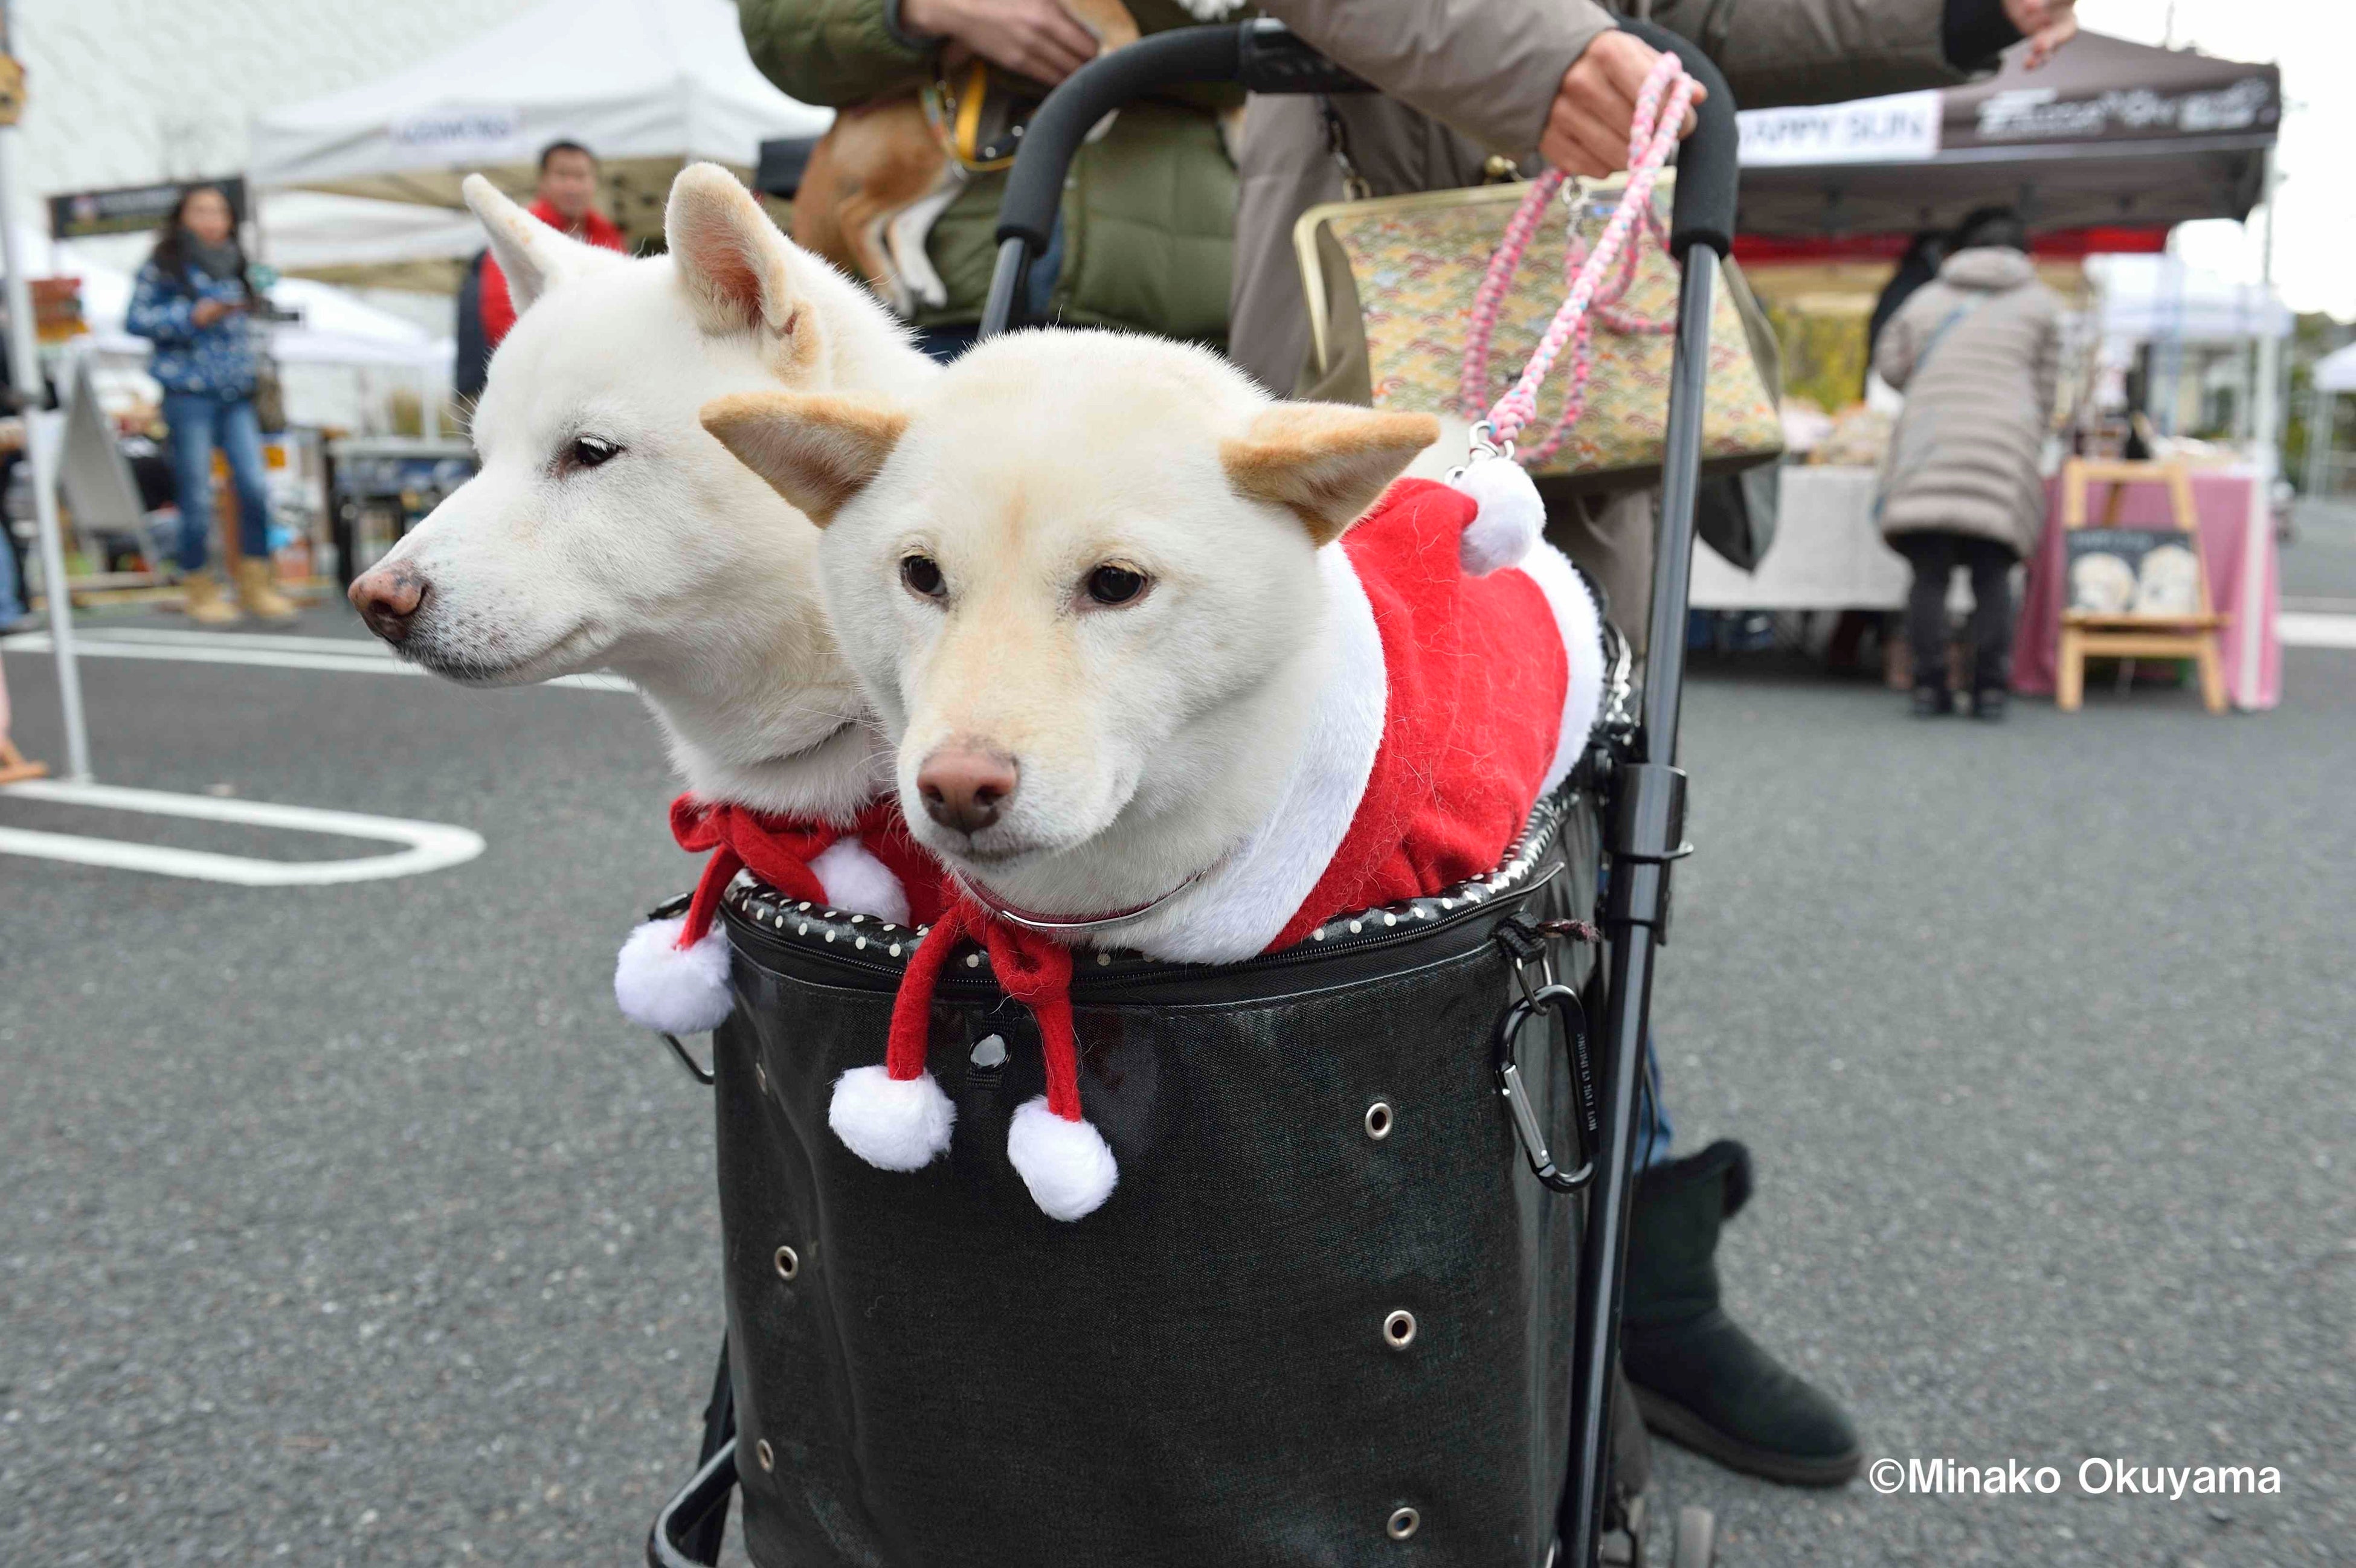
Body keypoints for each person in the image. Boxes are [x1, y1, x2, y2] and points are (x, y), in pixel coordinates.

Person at [1232, 0, 2079, 1489]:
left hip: (1550, 343)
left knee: (1564, 829)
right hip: (1331, 320)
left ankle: (1608, 1277)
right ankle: (1338, 1297)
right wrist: (1530, 51)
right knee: (1306, 836)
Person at [739, 0, 1240, 359]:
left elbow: (1275, 41)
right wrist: (926, 10)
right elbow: (776, 24)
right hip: (959, 298)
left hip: (1173, 301)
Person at [1873, 204, 2061, 720]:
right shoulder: (2042, 305)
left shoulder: (1927, 297)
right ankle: (1989, 691)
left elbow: (1891, 367)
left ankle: (1929, 688)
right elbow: (2049, 391)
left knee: (1929, 574)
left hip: (1931, 439)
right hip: (2005, 443)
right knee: (1992, 575)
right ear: (2023, 252)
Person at [124, 185, 293, 626]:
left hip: (237, 392)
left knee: (255, 487)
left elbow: (259, 319)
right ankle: (199, 585)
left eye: (218, 211)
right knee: (196, 494)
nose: (211, 218)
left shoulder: (239, 262)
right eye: (201, 210)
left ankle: (256, 582)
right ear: (182, 217)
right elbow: (135, 319)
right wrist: (190, 316)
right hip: (188, 394)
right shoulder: (164, 265)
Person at [480, 141, 627, 351]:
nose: (572, 187)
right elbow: (500, 311)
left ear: (594, 182)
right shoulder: (518, 231)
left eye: (581, 176)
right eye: (562, 176)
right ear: (543, 181)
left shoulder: (608, 234)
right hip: (538, 357)